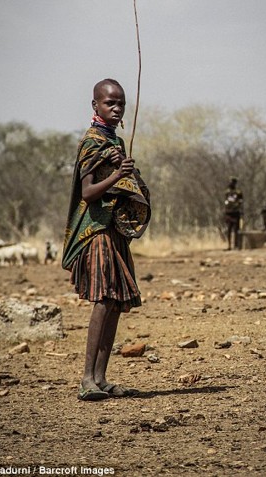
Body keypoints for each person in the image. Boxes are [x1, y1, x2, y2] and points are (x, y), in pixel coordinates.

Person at [62, 78, 151, 401]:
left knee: (114, 302)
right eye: (110, 103)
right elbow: (87, 193)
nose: (116, 109)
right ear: (95, 106)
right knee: (102, 300)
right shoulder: (91, 142)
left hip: (114, 232)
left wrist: (128, 174)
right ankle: (86, 378)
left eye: (121, 104)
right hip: (96, 231)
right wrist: (117, 174)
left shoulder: (116, 142)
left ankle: (101, 378)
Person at [224, 177, 243, 250]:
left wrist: (238, 208)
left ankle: (236, 245)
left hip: (236, 213)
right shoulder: (227, 192)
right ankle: (229, 245)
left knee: (236, 230)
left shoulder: (238, 192)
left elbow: (240, 202)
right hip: (228, 213)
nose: (230, 183)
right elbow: (226, 202)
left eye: (231, 182)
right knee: (229, 230)